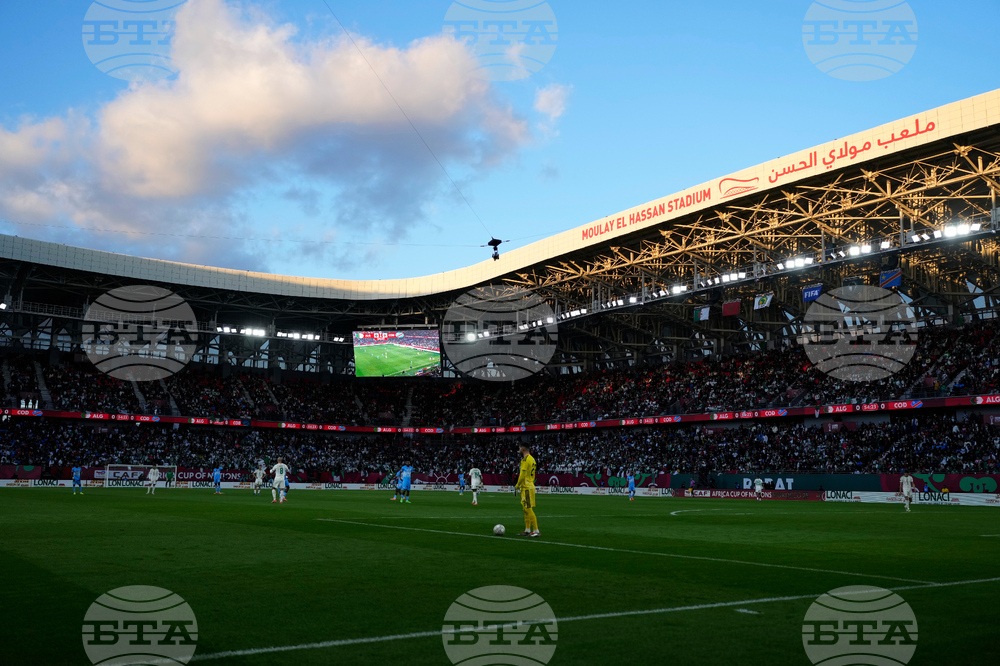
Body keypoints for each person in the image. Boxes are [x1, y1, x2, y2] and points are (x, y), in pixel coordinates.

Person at [516, 444, 539, 537]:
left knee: (528, 508)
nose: (519, 449)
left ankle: (536, 530)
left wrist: (517, 485)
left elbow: (522, 474)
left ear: (523, 449)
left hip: (527, 487)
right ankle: (527, 529)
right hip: (528, 486)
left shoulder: (525, 460)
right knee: (525, 509)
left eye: (519, 448)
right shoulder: (532, 459)